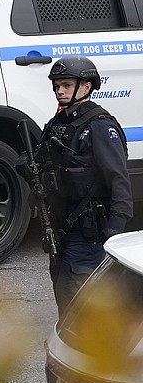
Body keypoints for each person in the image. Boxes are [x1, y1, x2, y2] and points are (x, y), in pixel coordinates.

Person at [21, 55, 132, 317]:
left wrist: (112, 233)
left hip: (88, 236)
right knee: (65, 300)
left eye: (66, 85)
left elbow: (119, 183)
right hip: (60, 230)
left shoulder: (99, 126)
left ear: (86, 86)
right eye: (57, 85)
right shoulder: (57, 124)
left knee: (84, 309)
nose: (60, 90)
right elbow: (42, 165)